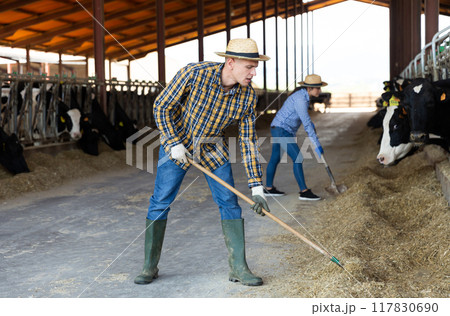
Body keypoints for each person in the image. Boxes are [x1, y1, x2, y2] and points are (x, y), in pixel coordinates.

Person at [134, 38, 271, 287]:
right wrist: (173, 142)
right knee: (160, 202)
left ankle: (239, 267)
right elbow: (162, 106)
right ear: (230, 62)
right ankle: (149, 266)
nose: (253, 73)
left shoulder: (248, 97)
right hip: (178, 145)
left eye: (255, 67)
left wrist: (257, 188)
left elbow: (248, 141)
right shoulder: (194, 74)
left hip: (211, 148)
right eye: (249, 67)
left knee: (229, 202)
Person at [264, 74, 327, 201]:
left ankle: (269, 188)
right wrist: (316, 144)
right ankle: (304, 192)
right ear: (309, 88)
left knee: (275, 158)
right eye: (317, 88)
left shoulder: (303, 97)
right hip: (281, 130)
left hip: (278, 128)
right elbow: (306, 122)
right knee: (298, 157)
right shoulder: (300, 100)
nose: (319, 90)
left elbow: (306, 121)